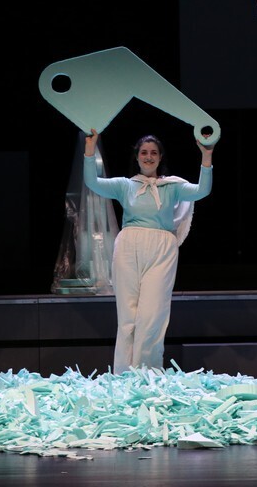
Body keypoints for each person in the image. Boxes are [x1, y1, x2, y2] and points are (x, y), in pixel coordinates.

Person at [83, 129, 215, 374]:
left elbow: (202, 191)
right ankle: (124, 375)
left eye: (153, 152)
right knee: (128, 316)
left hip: (161, 249)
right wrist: (90, 150)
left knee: (152, 315)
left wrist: (206, 156)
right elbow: (92, 182)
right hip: (128, 246)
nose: (148, 156)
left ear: (160, 157)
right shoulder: (125, 185)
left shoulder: (171, 187)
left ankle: (147, 373)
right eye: (144, 152)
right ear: (137, 157)